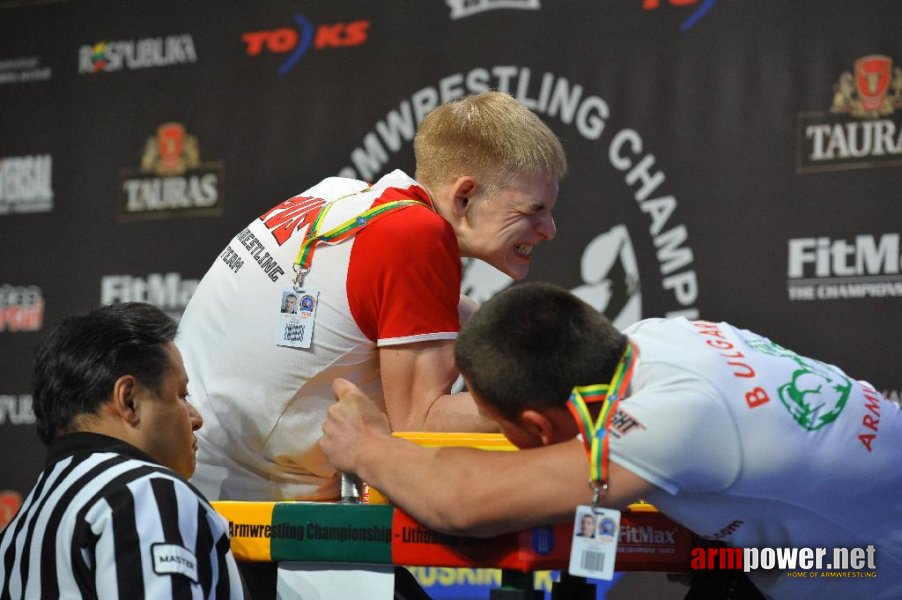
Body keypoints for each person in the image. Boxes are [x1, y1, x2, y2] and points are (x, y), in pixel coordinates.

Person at [321, 282, 902, 600]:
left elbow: (464, 501)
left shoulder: (673, 422)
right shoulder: (655, 340)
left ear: (540, 429)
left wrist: (368, 445)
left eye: (501, 424)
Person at [178, 91, 567, 502]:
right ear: (464, 196)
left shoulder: (346, 197)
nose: (550, 229)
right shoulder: (414, 235)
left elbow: (442, 313)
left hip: (188, 468)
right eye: (532, 210)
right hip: (238, 511)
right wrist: (558, 404)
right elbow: (419, 423)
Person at [0, 303, 246, 598]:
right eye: (181, 394)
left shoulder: (20, 526)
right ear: (129, 400)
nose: (196, 418)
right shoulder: (146, 492)